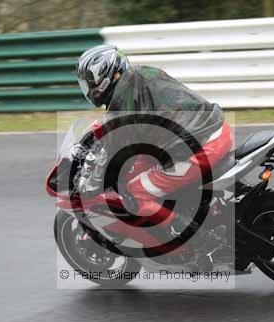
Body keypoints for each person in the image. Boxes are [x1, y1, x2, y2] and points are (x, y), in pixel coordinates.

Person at [76, 44, 234, 236]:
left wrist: (92, 185)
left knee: (135, 192)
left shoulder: (120, 104)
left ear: (103, 77)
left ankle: (196, 237)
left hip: (199, 150)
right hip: (217, 129)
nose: (89, 89)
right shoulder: (144, 73)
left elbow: (117, 157)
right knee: (144, 164)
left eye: (89, 83)